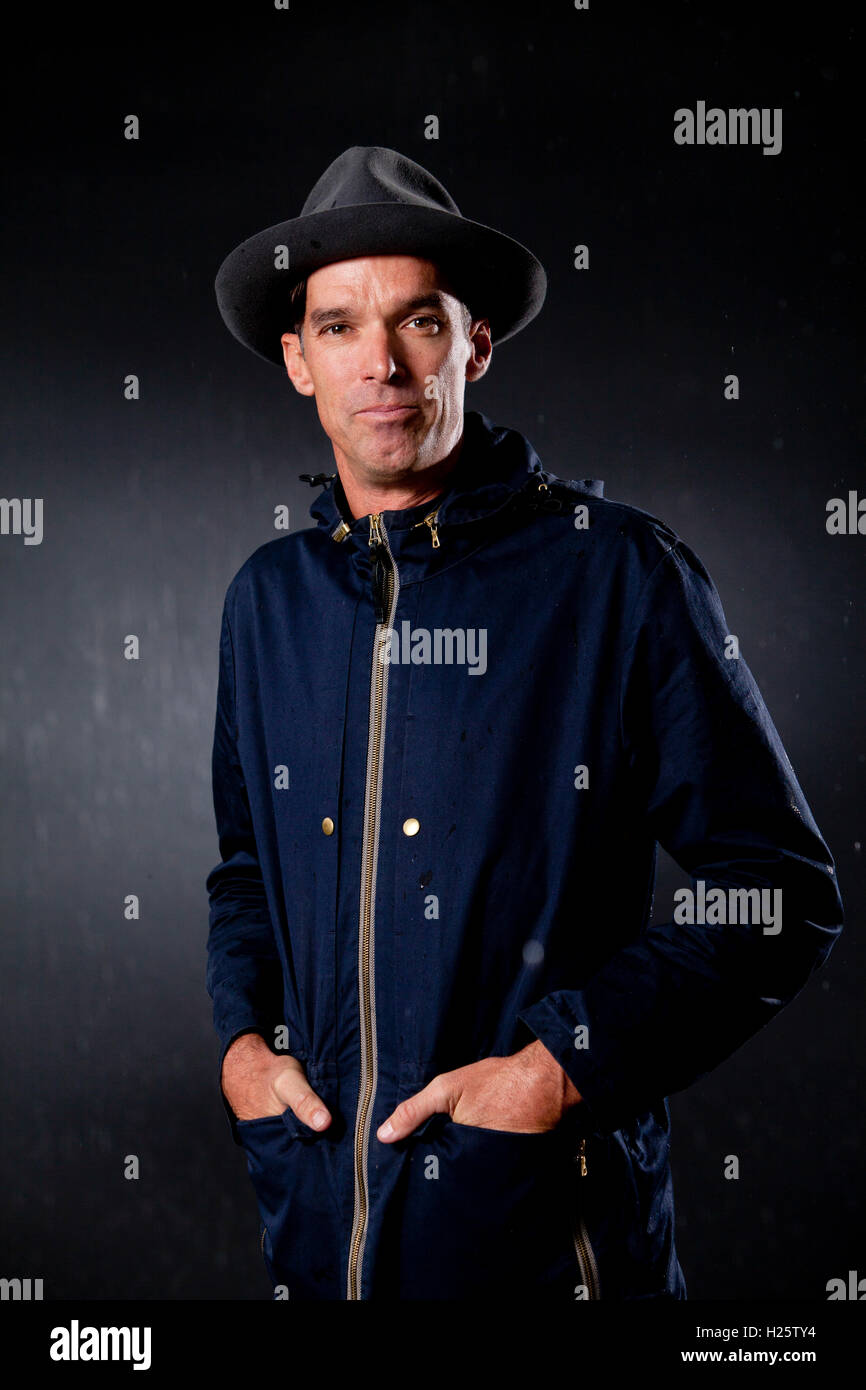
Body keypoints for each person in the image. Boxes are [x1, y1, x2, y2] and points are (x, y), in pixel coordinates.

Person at [206, 145, 843, 1301]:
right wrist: (244, 1051)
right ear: (298, 360)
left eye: (419, 322)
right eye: (341, 327)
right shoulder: (267, 602)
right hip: (320, 1245)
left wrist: (558, 1067)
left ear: (475, 342)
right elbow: (248, 870)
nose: (382, 364)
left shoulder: (617, 578)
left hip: (543, 1246)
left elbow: (778, 891)